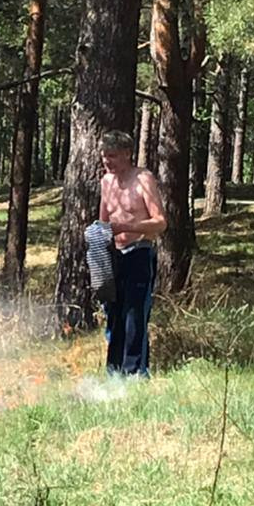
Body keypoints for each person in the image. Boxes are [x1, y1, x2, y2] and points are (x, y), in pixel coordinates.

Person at [97, 129, 167, 376]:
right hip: (113, 255)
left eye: (113, 156)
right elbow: (104, 221)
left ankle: (135, 372)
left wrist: (126, 227)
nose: (107, 161)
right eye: (104, 156)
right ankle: (114, 372)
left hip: (139, 251)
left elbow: (160, 222)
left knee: (134, 314)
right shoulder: (106, 181)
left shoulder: (143, 179)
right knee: (113, 314)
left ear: (127, 153)